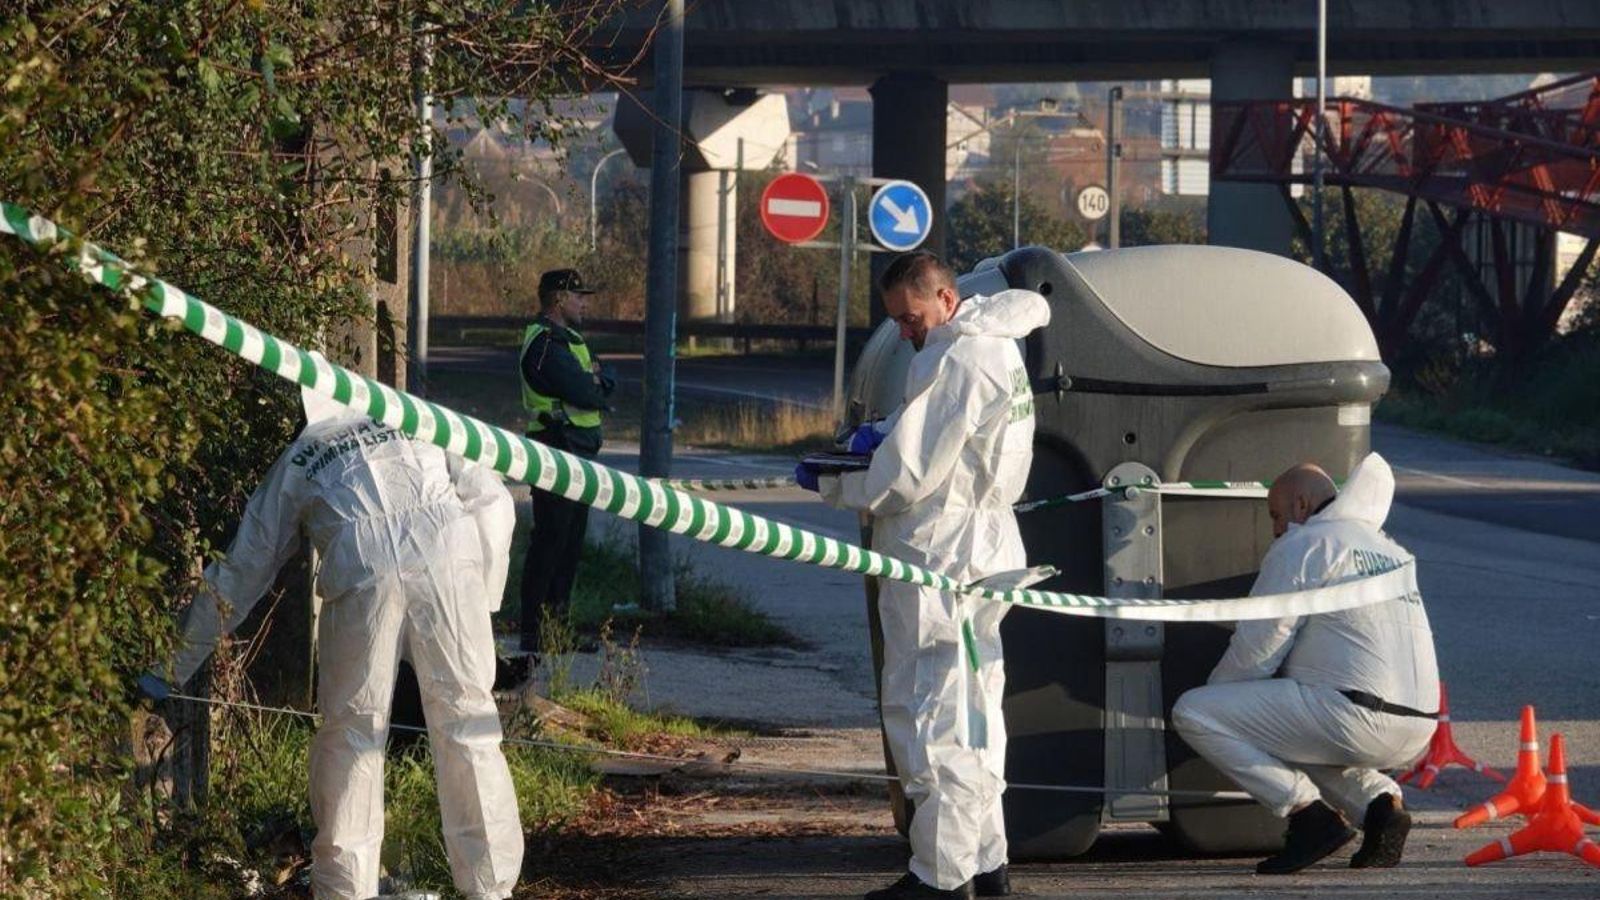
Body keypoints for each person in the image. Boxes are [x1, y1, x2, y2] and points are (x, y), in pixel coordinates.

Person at [138, 387, 522, 900]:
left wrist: (169, 665)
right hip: (449, 554)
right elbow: (493, 500)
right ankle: (490, 887)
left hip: (360, 568)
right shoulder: (418, 418)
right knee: (469, 722)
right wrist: (483, 596)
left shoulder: (301, 454)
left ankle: (346, 890)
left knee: (353, 732)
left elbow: (242, 569)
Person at [798, 251, 1049, 900]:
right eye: (897, 322)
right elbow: (943, 438)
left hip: (939, 557)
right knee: (976, 713)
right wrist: (882, 433)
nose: (906, 332)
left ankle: (940, 876)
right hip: (983, 550)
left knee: (930, 712)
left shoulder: (959, 359)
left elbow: (910, 475)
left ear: (945, 298)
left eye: (910, 319)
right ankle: (986, 862)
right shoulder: (993, 348)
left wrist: (837, 479)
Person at [1172, 453, 1439, 875]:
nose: (1276, 529)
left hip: (1353, 716)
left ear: (1300, 505)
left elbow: (1261, 642)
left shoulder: (1306, 544)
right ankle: (1380, 807)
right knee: (1290, 727)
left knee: (1195, 712)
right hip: (1418, 727)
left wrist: (1221, 697)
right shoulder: (1391, 549)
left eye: (1277, 515)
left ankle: (1306, 816)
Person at [518, 268, 613, 653]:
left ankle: (558, 631)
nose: (584, 303)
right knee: (551, 542)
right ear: (559, 299)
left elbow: (598, 387)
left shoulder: (566, 340)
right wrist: (594, 382)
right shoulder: (544, 343)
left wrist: (597, 382)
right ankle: (535, 633)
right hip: (556, 446)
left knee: (570, 543)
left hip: (577, 448)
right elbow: (586, 391)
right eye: (578, 297)